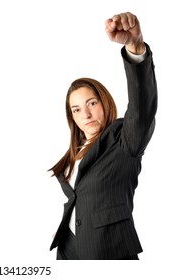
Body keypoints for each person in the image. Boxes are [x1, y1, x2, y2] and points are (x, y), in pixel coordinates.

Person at [49, 12, 157, 260]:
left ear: (104, 102)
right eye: (76, 109)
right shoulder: (76, 151)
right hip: (70, 251)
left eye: (91, 103)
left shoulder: (124, 140)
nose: (85, 114)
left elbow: (142, 110)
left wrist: (135, 47)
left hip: (108, 252)